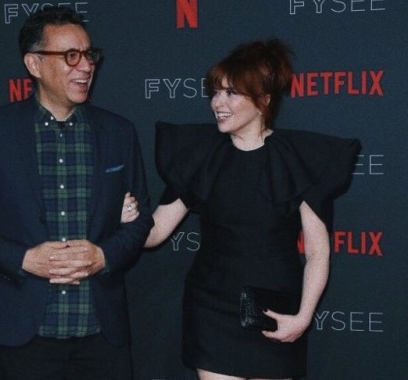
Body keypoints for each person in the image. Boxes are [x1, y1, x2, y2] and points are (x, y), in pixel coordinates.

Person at [0, 6, 153, 380]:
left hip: (101, 334)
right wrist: (24, 259)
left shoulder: (118, 133)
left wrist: (103, 255)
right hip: (24, 334)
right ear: (34, 64)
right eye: (70, 56)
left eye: (89, 54)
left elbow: (141, 222)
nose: (86, 66)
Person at [145, 39, 361, 380]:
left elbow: (318, 253)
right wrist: (129, 220)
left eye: (231, 94)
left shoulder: (296, 159)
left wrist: (303, 317)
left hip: (275, 310)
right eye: (215, 92)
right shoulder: (202, 156)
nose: (218, 103)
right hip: (211, 307)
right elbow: (155, 232)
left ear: (263, 100)